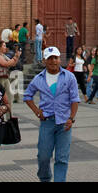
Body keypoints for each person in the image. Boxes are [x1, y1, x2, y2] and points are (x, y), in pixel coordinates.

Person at [25, 47, 81, 182]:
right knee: (43, 156)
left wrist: (71, 118)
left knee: (62, 158)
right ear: (44, 60)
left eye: (55, 58)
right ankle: (45, 178)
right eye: (49, 58)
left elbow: (75, 99)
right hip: (47, 122)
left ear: (59, 59)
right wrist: (37, 111)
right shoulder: (38, 78)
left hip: (64, 123)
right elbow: (27, 96)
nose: (53, 61)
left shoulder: (69, 76)